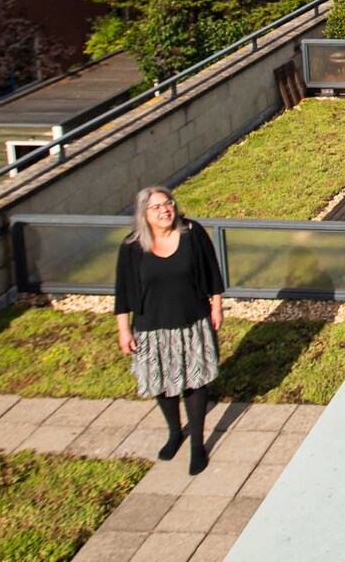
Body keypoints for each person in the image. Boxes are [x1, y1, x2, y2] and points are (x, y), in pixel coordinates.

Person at [114, 186, 224, 475]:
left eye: (168, 204)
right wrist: (124, 330)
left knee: (195, 382)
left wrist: (216, 306)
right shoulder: (132, 246)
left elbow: (212, 271)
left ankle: (197, 444)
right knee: (161, 383)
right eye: (156, 207)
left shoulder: (192, 233)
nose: (165, 210)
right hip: (152, 328)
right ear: (144, 214)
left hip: (192, 321)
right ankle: (175, 432)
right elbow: (123, 291)